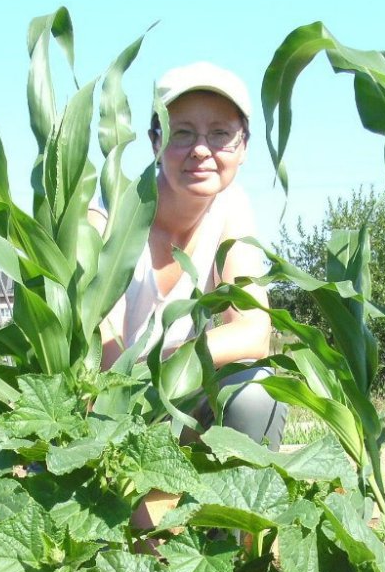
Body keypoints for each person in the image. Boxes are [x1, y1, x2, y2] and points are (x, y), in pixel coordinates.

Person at [95, 62, 286, 451]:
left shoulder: (231, 207)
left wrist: (175, 360)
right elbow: (105, 355)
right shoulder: (109, 214)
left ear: (244, 146)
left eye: (220, 134)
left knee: (255, 389)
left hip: (178, 395)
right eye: (182, 134)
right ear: (155, 141)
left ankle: (238, 505)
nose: (201, 150)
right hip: (103, 408)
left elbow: (254, 332)